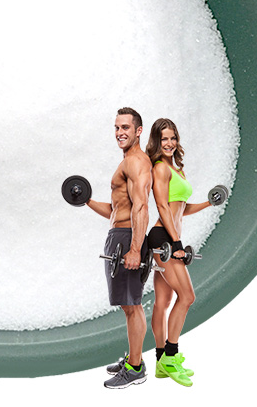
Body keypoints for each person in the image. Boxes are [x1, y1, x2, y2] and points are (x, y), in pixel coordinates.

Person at [85, 107, 152, 389]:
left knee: (132, 305)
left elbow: (141, 206)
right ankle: (134, 359)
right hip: (119, 234)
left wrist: (135, 248)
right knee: (127, 305)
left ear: (139, 131)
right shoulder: (126, 162)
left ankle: (135, 368)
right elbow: (116, 210)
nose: (119, 133)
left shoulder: (136, 162)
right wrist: (86, 200)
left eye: (125, 127)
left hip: (128, 238)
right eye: (116, 128)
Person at [146, 117, 212, 387]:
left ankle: (160, 361)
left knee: (163, 302)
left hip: (168, 237)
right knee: (187, 296)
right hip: (163, 238)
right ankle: (171, 358)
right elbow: (163, 207)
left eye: (173, 138)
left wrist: (209, 203)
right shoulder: (160, 169)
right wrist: (175, 243)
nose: (170, 143)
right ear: (156, 141)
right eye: (164, 139)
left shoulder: (177, 171)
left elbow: (181, 208)